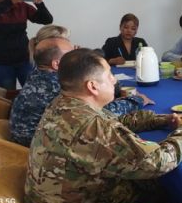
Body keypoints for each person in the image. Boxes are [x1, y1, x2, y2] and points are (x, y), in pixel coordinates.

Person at [24, 48, 182, 203]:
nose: (114, 80)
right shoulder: (92, 127)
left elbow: (115, 120)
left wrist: (161, 120)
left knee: (153, 188)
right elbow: (159, 161)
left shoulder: (64, 104)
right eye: (109, 75)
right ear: (92, 86)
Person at [10, 26, 153, 147]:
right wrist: (137, 100)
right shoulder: (58, 84)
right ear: (57, 64)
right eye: (70, 54)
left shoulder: (38, 73)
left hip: (27, 141)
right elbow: (100, 114)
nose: (74, 55)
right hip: (40, 147)